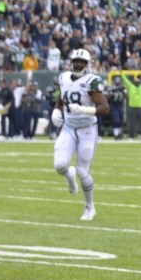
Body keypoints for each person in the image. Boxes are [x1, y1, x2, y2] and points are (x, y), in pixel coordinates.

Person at [50, 48, 110, 221]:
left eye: (82, 62)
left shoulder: (92, 81)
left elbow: (105, 108)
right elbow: (61, 100)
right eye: (76, 61)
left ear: (88, 64)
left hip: (87, 130)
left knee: (83, 172)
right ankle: (70, 176)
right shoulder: (63, 78)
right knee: (60, 165)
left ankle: (89, 207)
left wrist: (84, 109)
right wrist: (56, 111)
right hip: (68, 127)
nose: (78, 64)